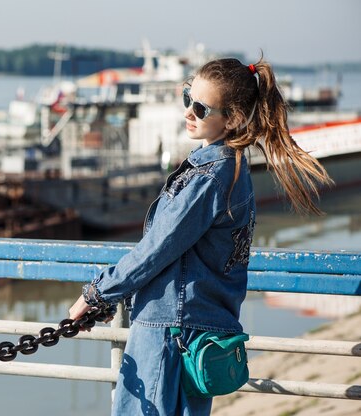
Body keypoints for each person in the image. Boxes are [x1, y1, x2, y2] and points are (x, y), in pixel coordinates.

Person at [68, 57, 333, 416]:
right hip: (194, 334)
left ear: (233, 118)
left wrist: (95, 294)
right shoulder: (230, 168)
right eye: (187, 98)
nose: (188, 112)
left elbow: (155, 250)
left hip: (170, 332)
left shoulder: (210, 177)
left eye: (200, 107)